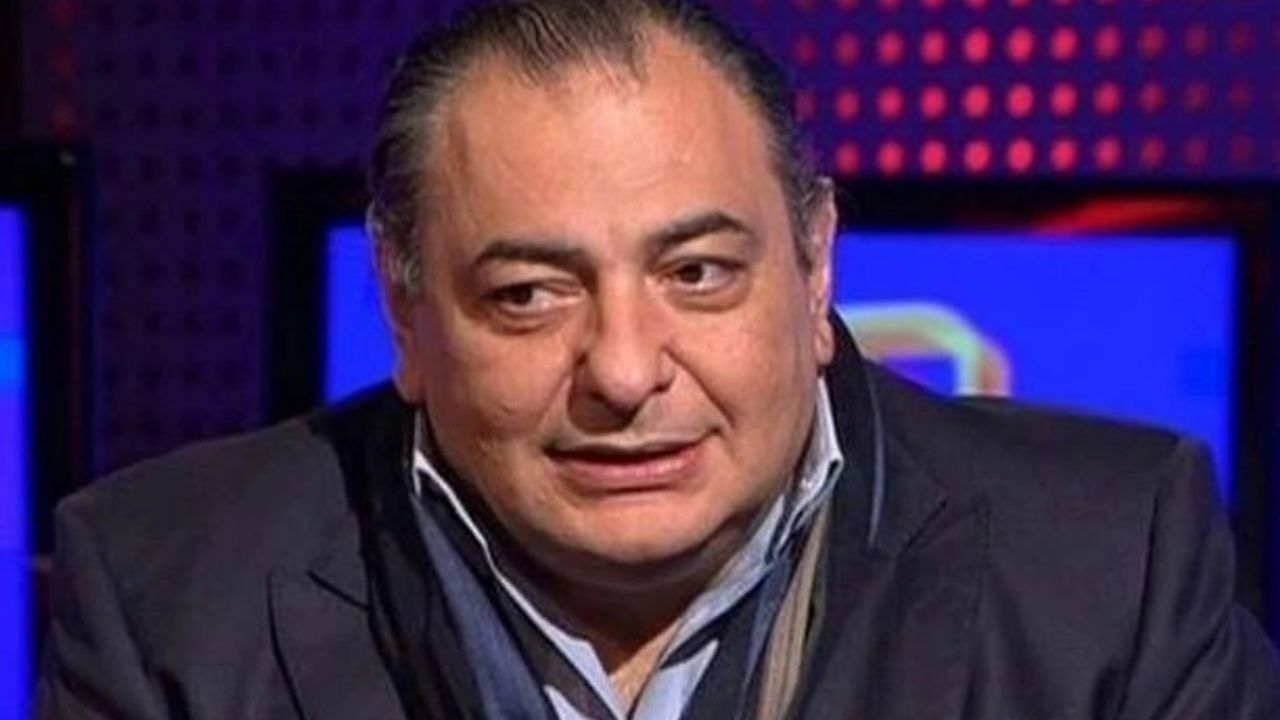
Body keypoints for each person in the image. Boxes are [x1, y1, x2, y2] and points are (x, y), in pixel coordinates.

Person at [35, 0, 1280, 718]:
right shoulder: (164, 597)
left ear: (814, 266)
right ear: (405, 314)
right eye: (528, 295)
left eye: (696, 274)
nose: (624, 373)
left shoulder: (1111, 566)